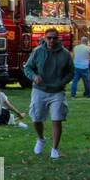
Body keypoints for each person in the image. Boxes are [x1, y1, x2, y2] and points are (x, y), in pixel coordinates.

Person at [23, 27, 73, 160]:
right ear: (44, 38)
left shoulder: (65, 54)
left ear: (59, 38)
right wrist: (34, 76)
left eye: (54, 38)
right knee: (36, 118)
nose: (51, 40)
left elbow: (70, 72)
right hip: (40, 89)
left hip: (57, 91)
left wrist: (62, 82)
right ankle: (41, 138)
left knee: (57, 119)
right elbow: (27, 67)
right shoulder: (38, 51)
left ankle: (55, 149)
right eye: (49, 37)